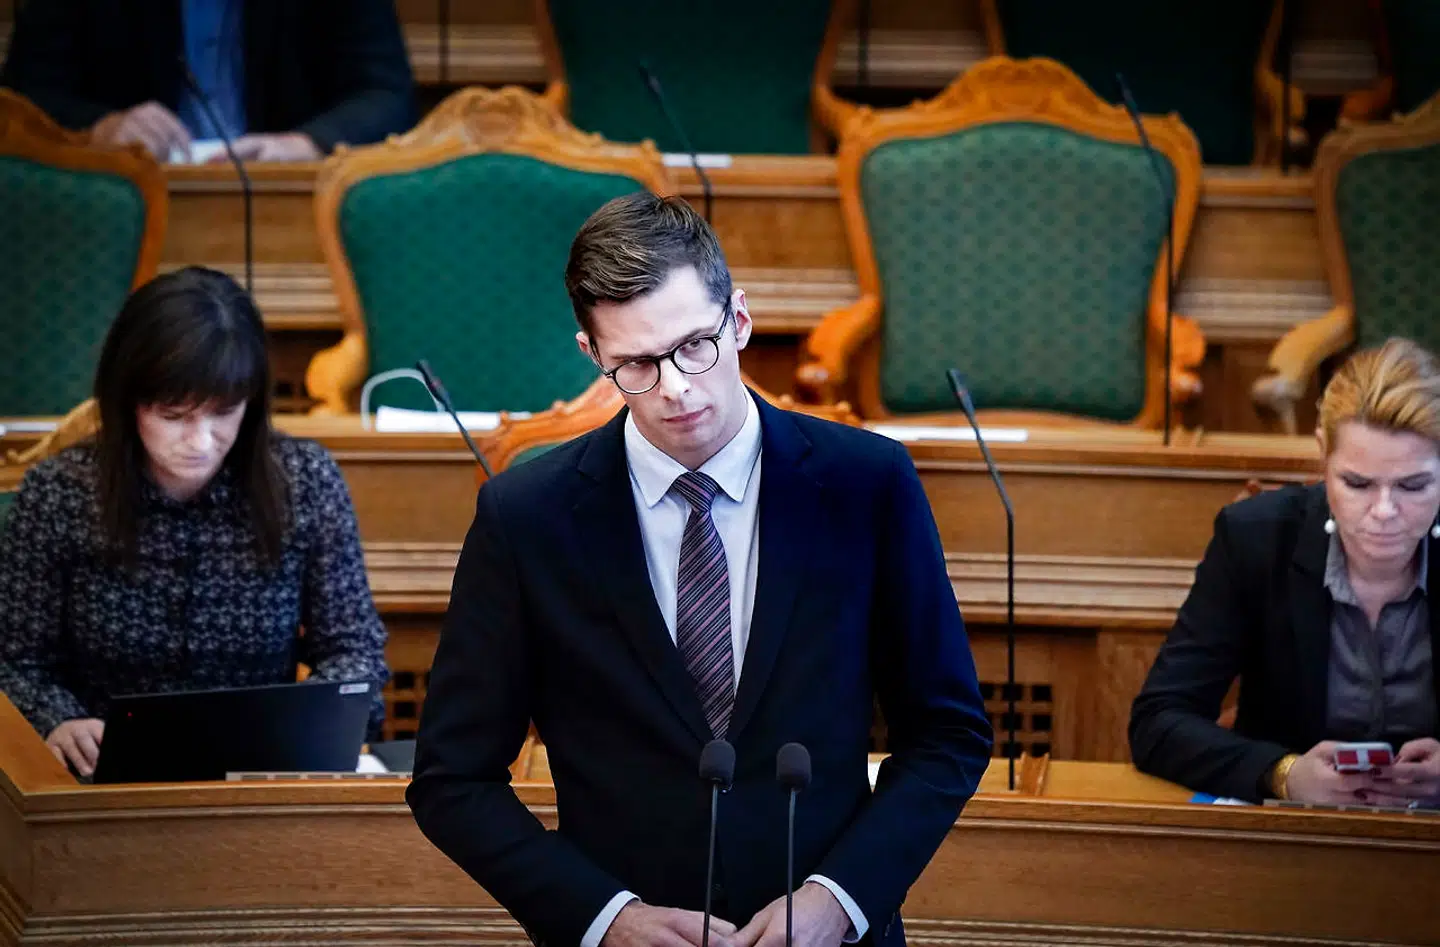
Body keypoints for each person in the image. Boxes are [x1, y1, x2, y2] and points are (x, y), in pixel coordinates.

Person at [407, 192, 992, 947]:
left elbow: (948, 733)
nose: (677, 388)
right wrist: (602, 916)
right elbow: (452, 779)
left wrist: (840, 899)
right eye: (638, 365)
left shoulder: (867, 484)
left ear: (739, 319)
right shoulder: (527, 518)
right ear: (592, 356)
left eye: (694, 346)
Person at [0, 266, 389, 778]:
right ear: (128, 401)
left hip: (260, 775)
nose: (201, 441)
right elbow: (15, 661)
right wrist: (59, 720)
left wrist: (310, 721)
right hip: (97, 778)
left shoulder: (305, 482)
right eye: (174, 415)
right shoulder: (59, 494)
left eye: (223, 412)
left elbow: (354, 649)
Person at [1131, 337, 1440, 807]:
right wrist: (1283, 774)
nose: (1384, 511)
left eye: (1413, 486)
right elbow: (1158, 721)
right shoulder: (1257, 539)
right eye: (1356, 483)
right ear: (1322, 454)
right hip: (1294, 840)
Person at [0, 0, 415, 161]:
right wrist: (100, 128)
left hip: (289, 213)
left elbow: (386, 94)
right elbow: (24, 99)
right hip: (123, 216)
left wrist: (305, 144)